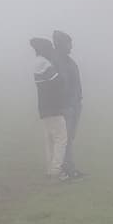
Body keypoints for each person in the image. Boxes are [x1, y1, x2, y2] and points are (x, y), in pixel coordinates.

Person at [31, 36, 74, 180]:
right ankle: (56, 170)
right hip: (53, 106)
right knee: (61, 138)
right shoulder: (44, 64)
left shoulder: (37, 63)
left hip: (44, 107)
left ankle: (50, 168)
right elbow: (58, 81)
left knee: (49, 139)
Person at [51, 29, 85, 178]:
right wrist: (66, 104)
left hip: (74, 104)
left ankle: (68, 166)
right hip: (66, 106)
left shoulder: (68, 61)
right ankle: (65, 168)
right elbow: (61, 85)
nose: (71, 47)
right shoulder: (57, 61)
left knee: (69, 138)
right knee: (65, 138)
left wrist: (78, 100)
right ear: (61, 44)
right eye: (68, 44)